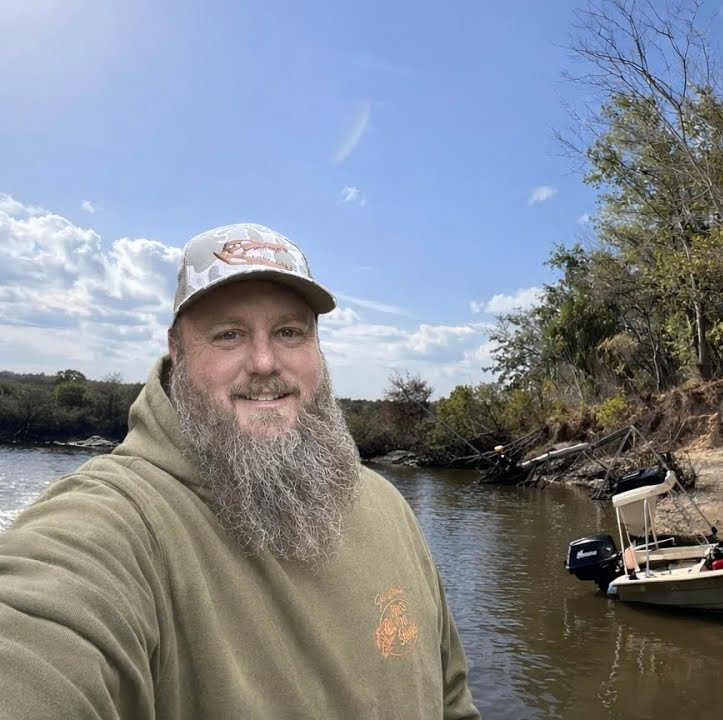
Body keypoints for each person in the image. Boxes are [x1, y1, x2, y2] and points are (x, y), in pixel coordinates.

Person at [0, 223, 481, 719]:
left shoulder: (389, 505)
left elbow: (452, 700)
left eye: (289, 332)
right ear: (178, 351)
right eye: (228, 335)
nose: (265, 362)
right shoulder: (117, 525)